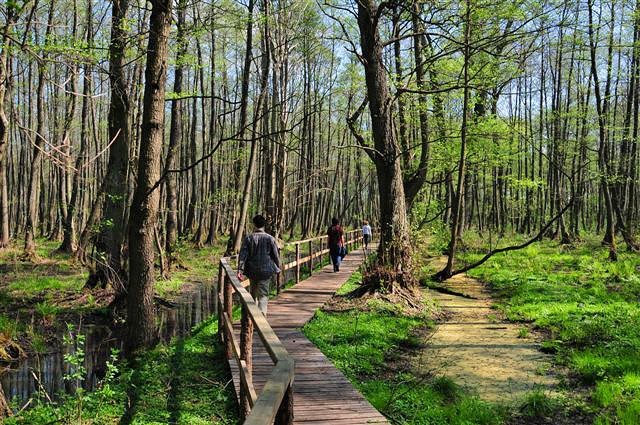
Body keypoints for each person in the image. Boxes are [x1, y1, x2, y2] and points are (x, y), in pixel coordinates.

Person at [237, 215, 281, 316]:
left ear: (254, 224)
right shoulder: (270, 238)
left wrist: (240, 270)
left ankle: (251, 317)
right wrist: (278, 268)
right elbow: (275, 255)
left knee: (253, 292)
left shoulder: (248, 238)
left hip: (252, 271)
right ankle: (261, 317)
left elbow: (243, 255)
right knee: (263, 294)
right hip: (266, 271)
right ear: (264, 225)